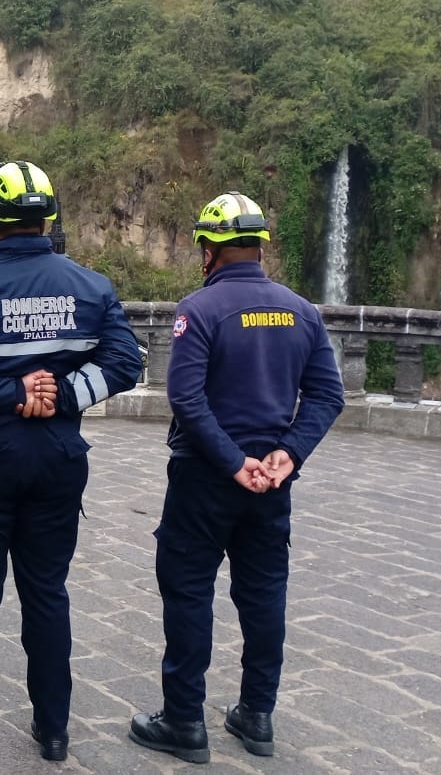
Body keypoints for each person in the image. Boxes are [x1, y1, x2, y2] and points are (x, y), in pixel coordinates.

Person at [0, 161, 143, 772]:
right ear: (49, 219)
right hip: (58, 461)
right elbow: (124, 363)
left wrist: (9, 395)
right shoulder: (90, 287)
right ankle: (55, 729)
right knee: (47, 593)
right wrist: (60, 397)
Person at [128, 191, 344, 765]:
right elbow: (328, 394)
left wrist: (230, 460)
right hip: (272, 483)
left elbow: (186, 398)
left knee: (189, 591)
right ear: (258, 246)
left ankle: (183, 721)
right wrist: (287, 454)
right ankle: (258, 715)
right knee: (264, 596)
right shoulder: (301, 310)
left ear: (209, 248)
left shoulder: (198, 310)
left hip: (206, 476)